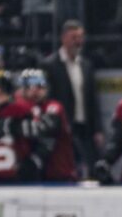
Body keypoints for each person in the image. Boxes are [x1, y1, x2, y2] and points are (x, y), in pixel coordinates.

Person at [42, 20, 100, 173]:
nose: (78, 42)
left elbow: (93, 100)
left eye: (80, 37)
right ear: (63, 38)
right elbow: (47, 99)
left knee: (91, 167)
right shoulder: (49, 65)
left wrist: (98, 129)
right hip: (63, 127)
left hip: (85, 127)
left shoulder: (86, 65)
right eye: (74, 37)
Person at [17, 68, 78, 183]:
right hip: (34, 176)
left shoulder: (53, 107)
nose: (36, 91)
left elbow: (47, 129)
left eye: (40, 86)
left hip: (60, 174)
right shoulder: (20, 109)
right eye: (30, 86)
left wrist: (15, 127)